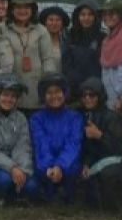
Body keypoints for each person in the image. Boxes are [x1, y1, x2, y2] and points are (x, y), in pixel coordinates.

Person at [77, 77, 122, 210]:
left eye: (92, 95)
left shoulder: (112, 118)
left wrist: (99, 135)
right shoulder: (85, 116)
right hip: (97, 162)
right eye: (84, 95)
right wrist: (86, 164)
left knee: (108, 174)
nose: (87, 99)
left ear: (100, 96)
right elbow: (90, 148)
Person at [0, 73, 40, 202]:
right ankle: (1, 196)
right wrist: (11, 168)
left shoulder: (21, 118)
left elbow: (23, 146)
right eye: (5, 95)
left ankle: (14, 194)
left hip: (18, 164)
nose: (9, 99)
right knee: (3, 181)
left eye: (13, 96)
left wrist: (22, 170)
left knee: (32, 186)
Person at [29, 73, 82, 204]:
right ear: (43, 96)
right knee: (41, 171)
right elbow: (41, 144)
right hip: (45, 163)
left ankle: (67, 195)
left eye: (58, 92)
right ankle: (48, 193)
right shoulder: (37, 118)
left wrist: (60, 165)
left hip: (68, 163)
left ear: (64, 93)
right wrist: (50, 166)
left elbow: (73, 144)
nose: (54, 97)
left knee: (71, 170)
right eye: (49, 93)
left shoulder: (75, 117)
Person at [4, 0, 58, 113]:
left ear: (33, 10)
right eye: (18, 7)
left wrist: (49, 85)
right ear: (12, 9)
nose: (22, 11)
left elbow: (47, 59)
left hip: (36, 88)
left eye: (26, 7)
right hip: (10, 87)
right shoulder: (3, 29)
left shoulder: (41, 30)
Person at [61, 0, 102, 100]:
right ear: (77, 16)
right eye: (83, 15)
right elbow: (66, 63)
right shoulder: (70, 36)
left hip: (95, 90)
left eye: (90, 15)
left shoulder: (102, 38)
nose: (86, 18)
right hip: (73, 90)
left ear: (96, 17)